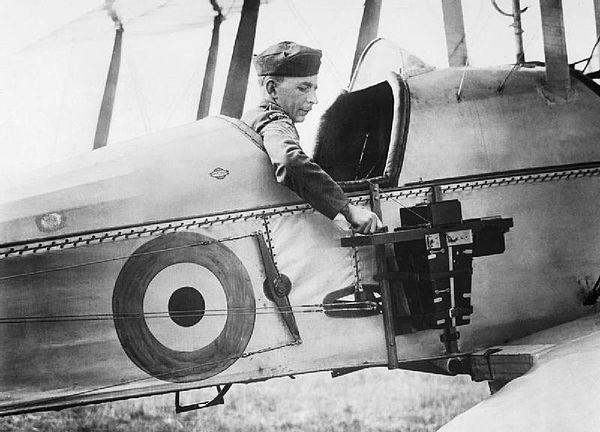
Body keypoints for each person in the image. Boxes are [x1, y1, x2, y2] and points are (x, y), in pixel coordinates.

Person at [242, 41, 383, 234]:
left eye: (314, 89)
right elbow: (289, 160)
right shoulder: (275, 121)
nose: (314, 99)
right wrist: (348, 209)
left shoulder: (251, 118)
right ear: (272, 89)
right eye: (304, 88)